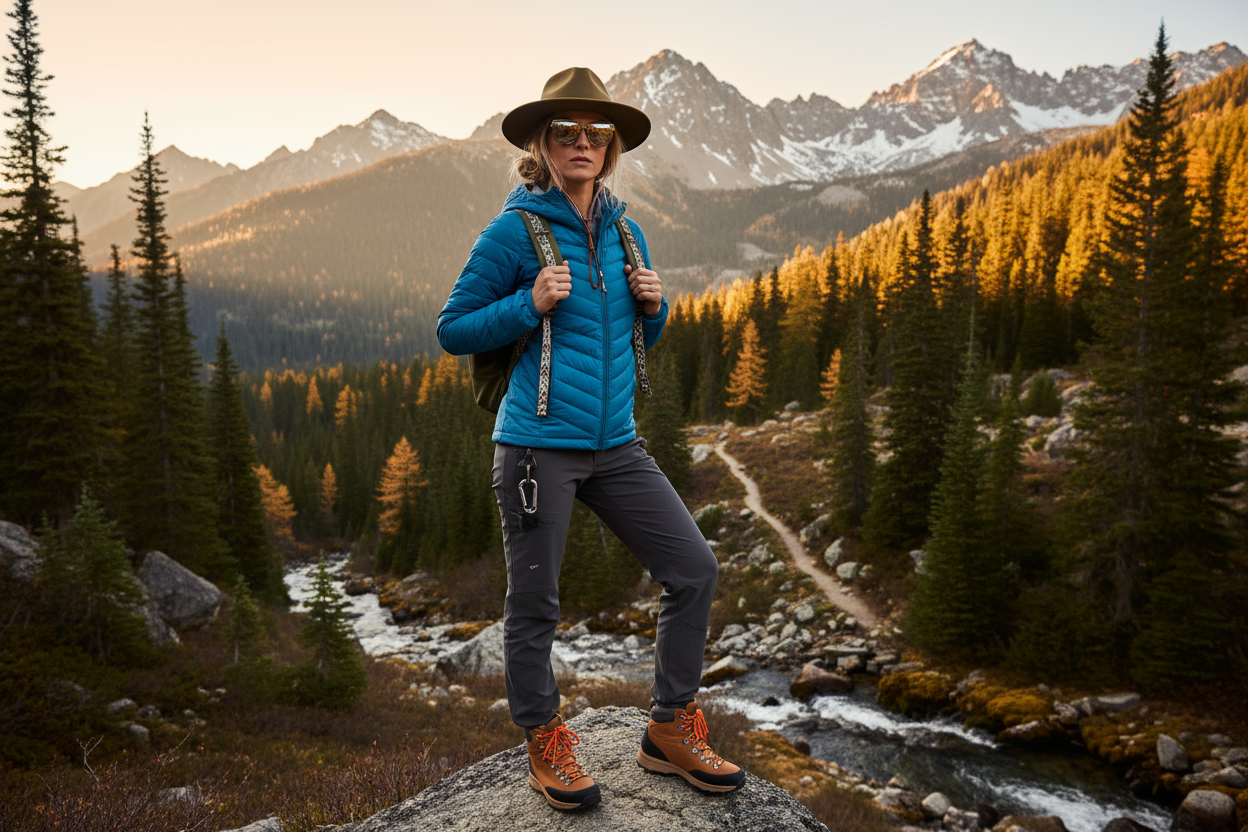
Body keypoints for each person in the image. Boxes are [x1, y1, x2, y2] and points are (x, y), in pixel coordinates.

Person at [437, 67, 745, 810]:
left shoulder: (626, 231)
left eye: (596, 133)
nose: (582, 143)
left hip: (618, 447)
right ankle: (545, 740)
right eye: (567, 131)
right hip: (538, 448)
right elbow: (453, 329)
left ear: (611, 147)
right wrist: (526, 301)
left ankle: (669, 728)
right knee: (536, 603)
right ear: (542, 144)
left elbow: (630, 339)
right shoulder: (514, 230)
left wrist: (657, 308)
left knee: (694, 569)